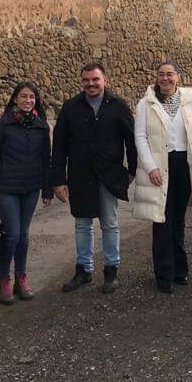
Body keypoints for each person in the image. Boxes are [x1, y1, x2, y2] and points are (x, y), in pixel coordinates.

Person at [51, 62, 137, 294]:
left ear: (105, 80)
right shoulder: (70, 108)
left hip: (109, 174)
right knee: (82, 223)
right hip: (80, 175)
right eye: (86, 80)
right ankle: (84, 271)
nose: (91, 84)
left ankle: (111, 271)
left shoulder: (118, 106)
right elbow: (58, 146)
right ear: (82, 82)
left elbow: (132, 140)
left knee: (110, 222)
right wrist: (58, 179)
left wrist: (132, 171)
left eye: (95, 79)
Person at [132, 60, 192, 293]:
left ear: (178, 76)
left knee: (178, 219)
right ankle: (163, 275)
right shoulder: (146, 104)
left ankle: (179, 271)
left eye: (170, 74)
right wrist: (150, 167)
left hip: (182, 165)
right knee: (161, 219)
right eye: (161, 74)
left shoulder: (190, 101)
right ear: (156, 77)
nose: (165, 78)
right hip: (158, 167)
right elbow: (140, 137)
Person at [0, 81, 53, 305]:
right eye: (23, 96)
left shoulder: (41, 127)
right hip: (6, 188)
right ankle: (3, 280)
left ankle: (21, 277)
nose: (28, 100)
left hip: (30, 188)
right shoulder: (2, 126)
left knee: (24, 234)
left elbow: (45, 161)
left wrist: (47, 189)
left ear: (36, 100)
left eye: (31, 97)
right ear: (15, 99)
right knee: (12, 234)